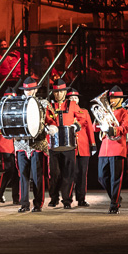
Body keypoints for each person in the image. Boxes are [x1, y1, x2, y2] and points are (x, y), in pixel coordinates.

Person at [13, 77, 50, 213]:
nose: (28, 92)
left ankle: (38, 203)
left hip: (37, 144)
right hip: (21, 144)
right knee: (23, 175)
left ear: (35, 89)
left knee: (37, 176)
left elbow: (50, 120)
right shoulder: (17, 103)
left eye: (31, 89)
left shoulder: (43, 104)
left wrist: (50, 127)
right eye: (26, 90)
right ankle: (24, 203)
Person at [94, 86, 128, 214]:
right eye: (111, 98)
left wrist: (114, 130)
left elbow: (126, 127)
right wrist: (99, 118)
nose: (112, 100)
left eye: (115, 98)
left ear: (121, 99)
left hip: (117, 147)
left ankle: (114, 204)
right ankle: (116, 198)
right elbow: (95, 128)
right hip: (104, 148)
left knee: (116, 178)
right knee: (101, 177)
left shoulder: (125, 113)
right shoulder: (107, 111)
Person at [46, 79, 80, 210]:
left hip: (69, 144)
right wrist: (48, 126)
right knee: (54, 173)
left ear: (65, 92)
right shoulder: (49, 106)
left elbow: (81, 118)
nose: (58, 94)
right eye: (56, 92)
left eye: (61, 92)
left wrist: (76, 126)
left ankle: (67, 200)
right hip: (53, 145)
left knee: (68, 173)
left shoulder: (72, 104)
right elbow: (45, 120)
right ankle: (54, 198)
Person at [68, 88, 96, 207]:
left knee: (82, 174)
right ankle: (68, 199)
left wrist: (93, 144)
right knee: (70, 174)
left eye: (76, 98)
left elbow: (90, 128)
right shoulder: (66, 113)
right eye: (71, 98)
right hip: (70, 147)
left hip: (83, 147)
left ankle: (81, 198)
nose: (74, 100)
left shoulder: (84, 112)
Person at [0, 88, 20, 205]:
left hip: (17, 144)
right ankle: (0, 191)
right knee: (9, 170)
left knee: (17, 172)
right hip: (6, 145)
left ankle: (16, 198)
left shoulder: (19, 110)